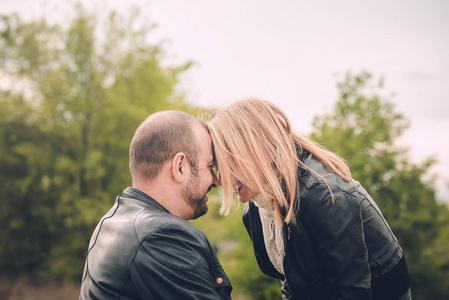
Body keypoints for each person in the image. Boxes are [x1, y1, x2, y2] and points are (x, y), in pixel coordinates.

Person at [208, 98, 411, 300]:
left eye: (228, 165)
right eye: (216, 167)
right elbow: (292, 280)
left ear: (258, 153)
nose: (219, 180)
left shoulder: (322, 195)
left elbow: (353, 292)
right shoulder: (256, 210)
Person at [80, 111, 232, 299]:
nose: (217, 181)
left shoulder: (112, 221)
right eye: (210, 167)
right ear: (180, 167)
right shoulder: (163, 236)